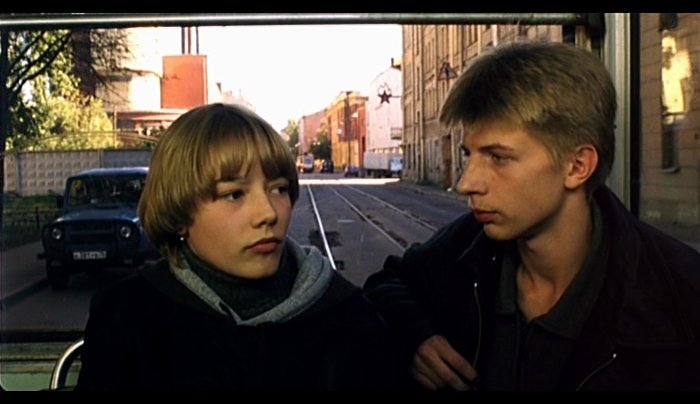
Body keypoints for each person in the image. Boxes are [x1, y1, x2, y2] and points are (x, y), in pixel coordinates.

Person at [363, 41, 700, 391]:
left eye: (498, 157)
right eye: (468, 155)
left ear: (577, 166)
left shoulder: (681, 298)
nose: (466, 183)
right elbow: (387, 285)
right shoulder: (468, 244)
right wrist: (417, 335)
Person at [76, 103, 396, 391]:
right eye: (234, 194)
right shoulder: (128, 318)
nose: (268, 213)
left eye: (279, 189)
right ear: (179, 214)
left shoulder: (349, 316)